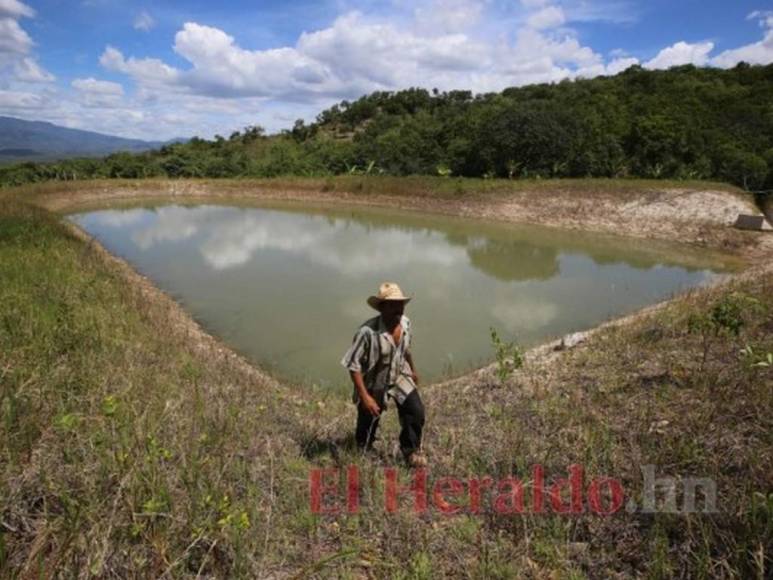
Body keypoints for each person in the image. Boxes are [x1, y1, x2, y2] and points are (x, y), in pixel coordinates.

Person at [341, 282, 427, 468]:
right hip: (375, 381)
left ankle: (410, 450)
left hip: (399, 374)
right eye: (393, 304)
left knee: (416, 411)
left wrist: (412, 370)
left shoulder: (405, 323)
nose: (399, 308)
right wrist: (365, 397)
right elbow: (353, 365)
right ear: (382, 307)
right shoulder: (367, 332)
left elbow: (406, 349)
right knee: (369, 420)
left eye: (401, 304)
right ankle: (364, 448)